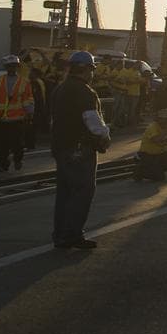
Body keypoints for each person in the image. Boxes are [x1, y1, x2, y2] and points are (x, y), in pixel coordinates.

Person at [50, 51, 110, 249]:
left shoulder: (61, 89)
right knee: (83, 189)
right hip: (79, 148)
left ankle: (60, 234)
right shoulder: (84, 92)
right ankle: (72, 234)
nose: (92, 74)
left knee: (65, 192)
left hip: (61, 146)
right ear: (85, 70)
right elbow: (92, 120)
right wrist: (104, 137)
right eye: (91, 70)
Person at [0, 54, 35, 173]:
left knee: (17, 144)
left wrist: (30, 112)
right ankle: (2, 165)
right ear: (6, 67)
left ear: (17, 67)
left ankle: (18, 159)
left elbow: (28, 99)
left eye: (14, 66)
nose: (11, 68)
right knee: (1, 145)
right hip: (0, 119)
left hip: (17, 119)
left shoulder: (24, 82)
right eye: (9, 66)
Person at [133, 108, 167, 181]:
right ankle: (140, 171)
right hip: (147, 155)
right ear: (160, 119)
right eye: (166, 119)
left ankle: (156, 169)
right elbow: (157, 139)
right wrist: (166, 130)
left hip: (159, 154)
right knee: (159, 178)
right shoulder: (153, 127)